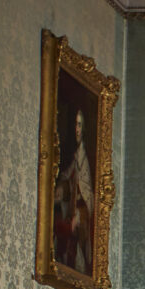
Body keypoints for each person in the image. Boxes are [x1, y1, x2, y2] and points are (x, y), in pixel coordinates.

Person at [53, 108, 93, 274]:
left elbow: (86, 190)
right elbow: (67, 175)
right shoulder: (75, 154)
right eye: (75, 124)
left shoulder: (84, 157)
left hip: (80, 210)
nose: (77, 129)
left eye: (79, 125)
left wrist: (79, 214)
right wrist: (62, 187)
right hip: (69, 208)